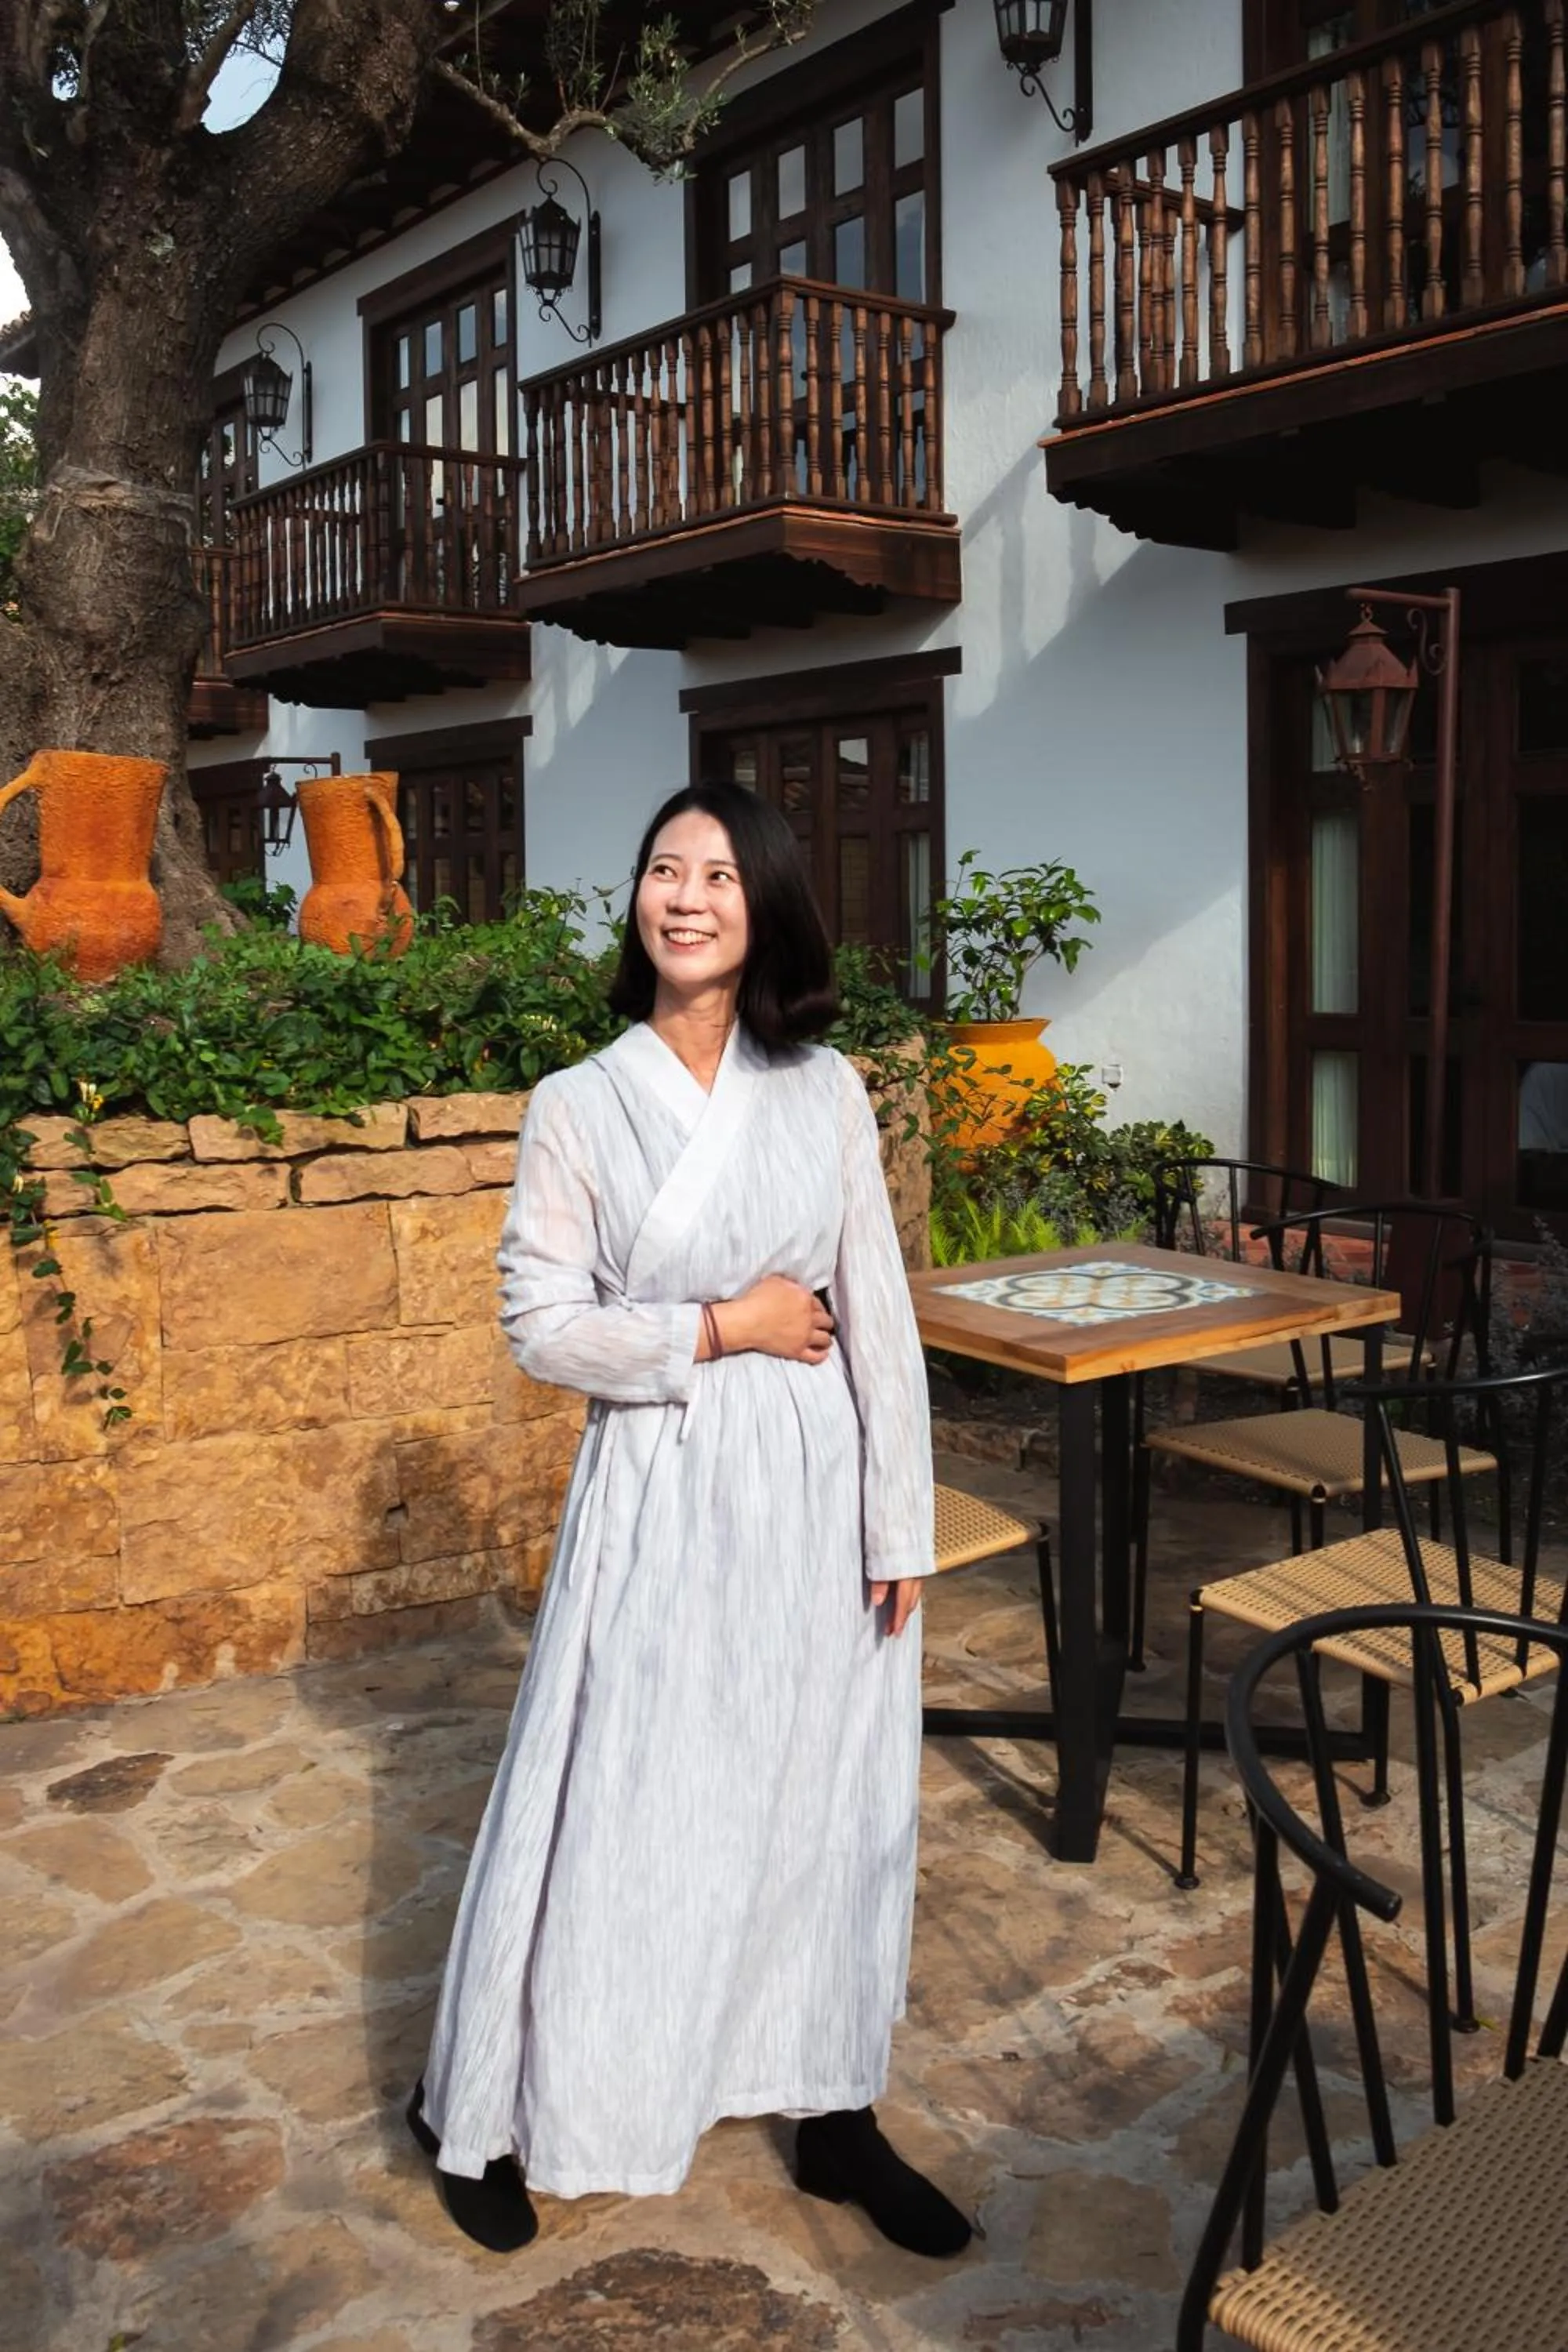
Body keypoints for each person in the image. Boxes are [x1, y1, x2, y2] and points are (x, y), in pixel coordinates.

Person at [407, 781, 969, 2263]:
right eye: (665, 868)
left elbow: (883, 1320)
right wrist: (719, 1328)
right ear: (638, 899)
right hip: (659, 1487)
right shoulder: (580, 1103)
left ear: (765, 903)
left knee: (822, 1803)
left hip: (814, 1487)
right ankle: (498, 2103)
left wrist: (897, 1523)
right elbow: (542, 1325)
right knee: (623, 1798)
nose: (688, 895)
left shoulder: (829, 1088)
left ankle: (835, 2113)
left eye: (719, 873)